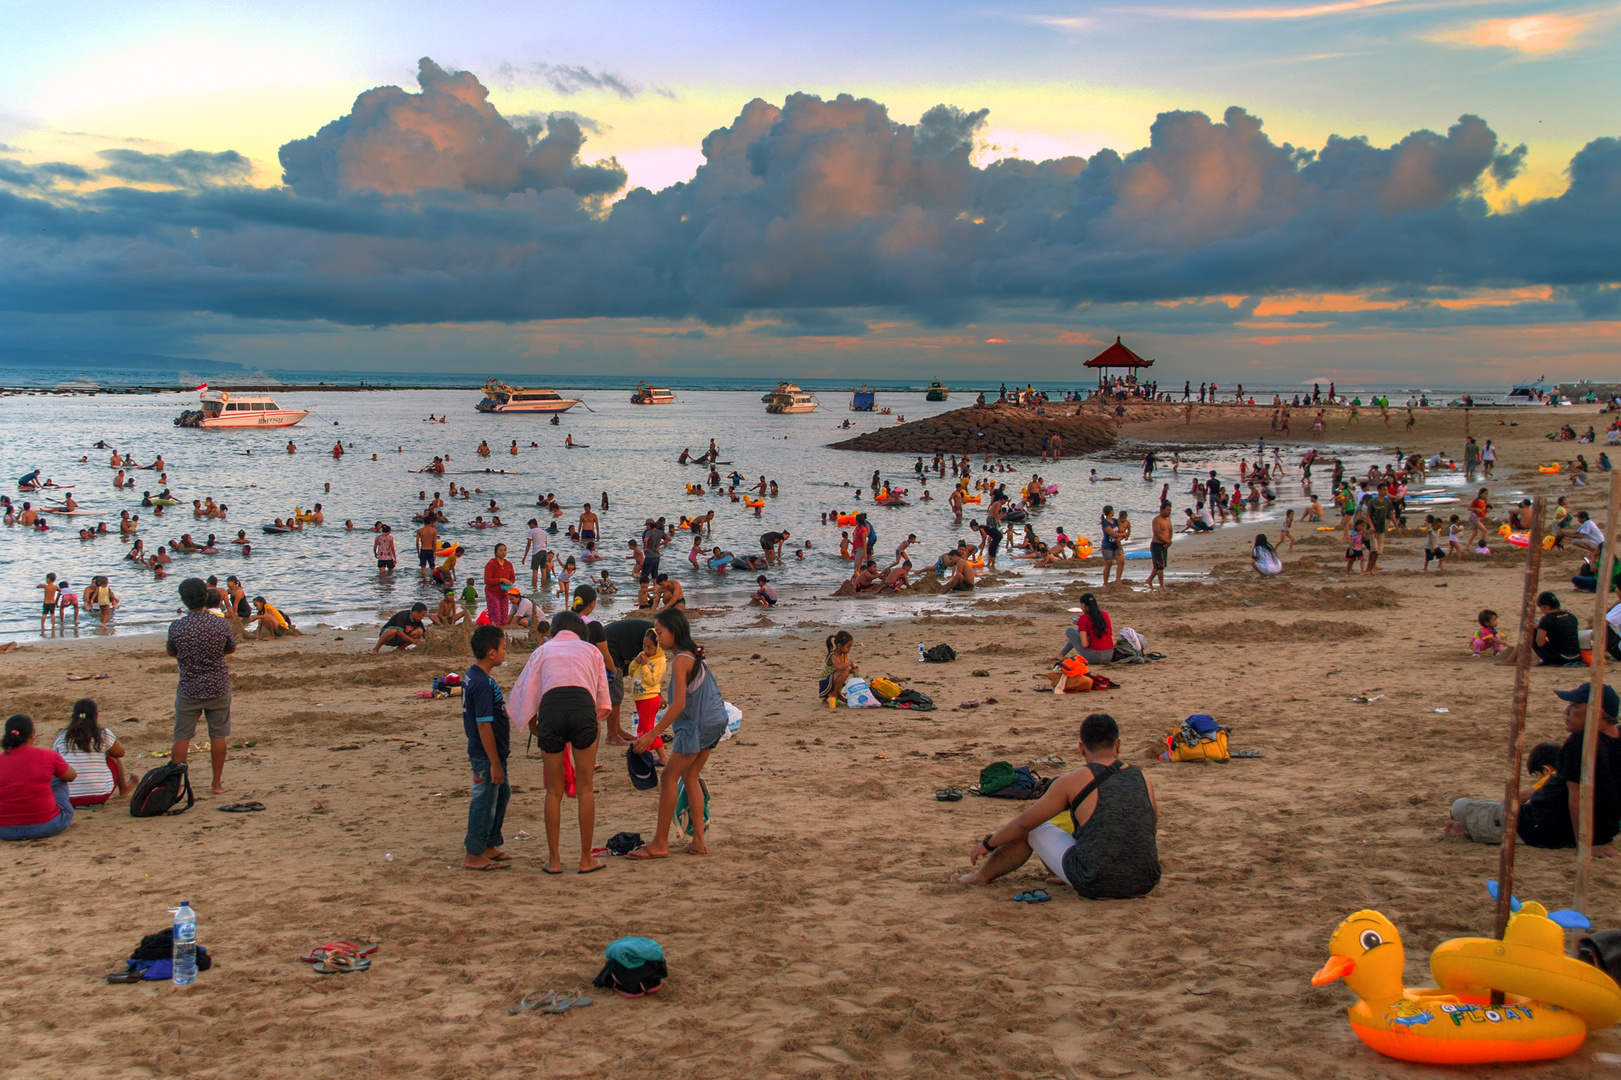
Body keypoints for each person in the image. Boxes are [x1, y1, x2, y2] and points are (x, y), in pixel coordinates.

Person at [950, 714, 1160, 899]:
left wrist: (989, 844)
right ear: (1118, 745)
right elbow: (1150, 829)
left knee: (1034, 829)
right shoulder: (1143, 779)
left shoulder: (1073, 780)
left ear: (1081, 748)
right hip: (1145, 881)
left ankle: (980, 877)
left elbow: (1024, 823)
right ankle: (1066, 872)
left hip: (1095, 882)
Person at [1446, 683, 1621, 856]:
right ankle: (1470, 828)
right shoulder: (1616, 738)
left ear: (1598, 715)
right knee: (1487, 812)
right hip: (1602, 832)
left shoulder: (1581, 740)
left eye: (1574, 706)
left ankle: (1470, 828)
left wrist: (1583, 846)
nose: (1566, 711)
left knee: (1459, 807)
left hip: (1542, 826)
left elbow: (1577, 796)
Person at [507, 611, 611, 875]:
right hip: (582, 707)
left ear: (552, 632)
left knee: (553, 791)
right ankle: (586, 860)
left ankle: (554, 861)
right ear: (580, 633)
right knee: (585, 788)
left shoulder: (542, 651)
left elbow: (527, 692)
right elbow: (602, 700)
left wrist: (534, 726)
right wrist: (593, 722)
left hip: (551, 710)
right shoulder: (591, 651)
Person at [628, 609, 729, 859]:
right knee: (690, 775)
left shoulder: (682, 659)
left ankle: (660, 843)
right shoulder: (693, 655)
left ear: (674, 632)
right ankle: (698, 841)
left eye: (660, 632)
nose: (657, 637)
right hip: (715, 720)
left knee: (669, 778)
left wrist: (652, 734)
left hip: (698, 725)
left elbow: (680, 704)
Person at [168, 577, 237, 795]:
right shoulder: (219, 623)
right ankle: (216, 784)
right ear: (206, 597)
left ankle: (176, 786)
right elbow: (231, 648)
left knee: (182, 737)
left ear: (184, 600)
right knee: (218, 736)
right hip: (217, 685)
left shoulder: (178, 626)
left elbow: (172, 651)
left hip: (189, 687)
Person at [459, 624, 512, 871]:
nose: (505, 652)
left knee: (502, 794)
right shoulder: (480, 682)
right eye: (502, 648)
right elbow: (483, 726)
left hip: (495, 752)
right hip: (486, 755)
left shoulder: (476, 677)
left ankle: (490, 843)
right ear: (491, 653)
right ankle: (474, 852)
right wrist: (493, 763)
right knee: (484, 799)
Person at [0, 714, 76, 840]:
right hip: (47, 826)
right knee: (58, 777)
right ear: (32, 734)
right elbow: (71, 776)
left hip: (5, 831)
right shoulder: (48, 755)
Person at [52, 698, 136, 807]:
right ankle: (123, 788)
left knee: (60, 765)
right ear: (96, 716)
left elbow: (56, 759)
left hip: (67, 797)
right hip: (100, 795)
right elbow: (120, 753)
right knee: (115, 759)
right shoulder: (103, 734)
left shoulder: (63, 735)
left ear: (73, 717)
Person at [1498, 591, 1583, 667]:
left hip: (1559, 658)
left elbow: (1540, 642)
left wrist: (1537, 629)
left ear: (1545, 606)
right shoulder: (1571, 616)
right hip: (1576, 656)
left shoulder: (1546, 619)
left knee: (1528, 631)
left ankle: (1511, 659)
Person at [627, 627, 668, 765]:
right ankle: (653, 755)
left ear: (657, 647)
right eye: (644, 645)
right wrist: (636, 662)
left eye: (650, 647)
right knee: (646, 729)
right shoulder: (643, 656)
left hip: (649, 698)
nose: (646, 649)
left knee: (646, 730)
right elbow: (631, 672)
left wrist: (644, 666)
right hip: (640, 698)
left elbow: (652, 680)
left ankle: (655, 756)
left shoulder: (659, 661)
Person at [1064, 593, 1114, 665]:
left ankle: (1061, 654)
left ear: (1083, 605)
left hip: (1095, 657)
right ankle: (1061, 654)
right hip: (1109, 655)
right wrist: (1081, 625)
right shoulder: (1105, 614)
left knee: (1070, 630)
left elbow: (1085, 645)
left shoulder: (1084, 618)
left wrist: (1082, 624)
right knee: (1079, 629)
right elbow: (1096, 626)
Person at [818, 630, 857, 703]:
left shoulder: (843, 655)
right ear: (839, 645)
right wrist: (850, 663)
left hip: (834, 679)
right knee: (845, 672)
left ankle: (835, 694)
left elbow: (843, 667)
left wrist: (852, 671)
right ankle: (834, 694)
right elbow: (838, 667)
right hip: (825, 681)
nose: (849, 649)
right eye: (848, 647)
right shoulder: (833, 655)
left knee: (846, 672)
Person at [484, 543, 515, 626]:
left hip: (504, 593)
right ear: (496, 552)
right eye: (500, 550)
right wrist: (501, 580)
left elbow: (512, 578)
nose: (503, 552)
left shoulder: (508, 564)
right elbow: (487, 580)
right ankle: (495, 636)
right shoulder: (491, 564)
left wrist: (509, 583)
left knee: (504, 618)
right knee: (496, 617)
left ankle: (501, 635)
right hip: (492, 593)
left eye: (504, 550)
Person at [1147, 502, 1172, 590]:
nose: (1169, 512)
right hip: (1157, 544)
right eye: (1167, 510)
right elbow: (1157, 533)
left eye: (1170, 510)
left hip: (1165, 545)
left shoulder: (1168, 520)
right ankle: (1161, 585)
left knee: (1160, 565)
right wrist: (1167, 541)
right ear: (1161, 510)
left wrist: (1168, 541)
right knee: (1159, 566)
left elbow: (1170, 531)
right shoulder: (1157, 520)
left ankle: (1149, 579)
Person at [522, 517, 549, 591]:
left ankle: (534, 589)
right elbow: (546, 543)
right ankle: (543, 588)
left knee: (535, 571)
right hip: (544, 551)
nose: (529, 527)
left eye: (529, 526)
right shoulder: (544, 532)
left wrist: (525, 556)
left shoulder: (532, 531)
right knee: (543, 571)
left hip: (537, 551)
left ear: (532, 524)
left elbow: (529, 544)